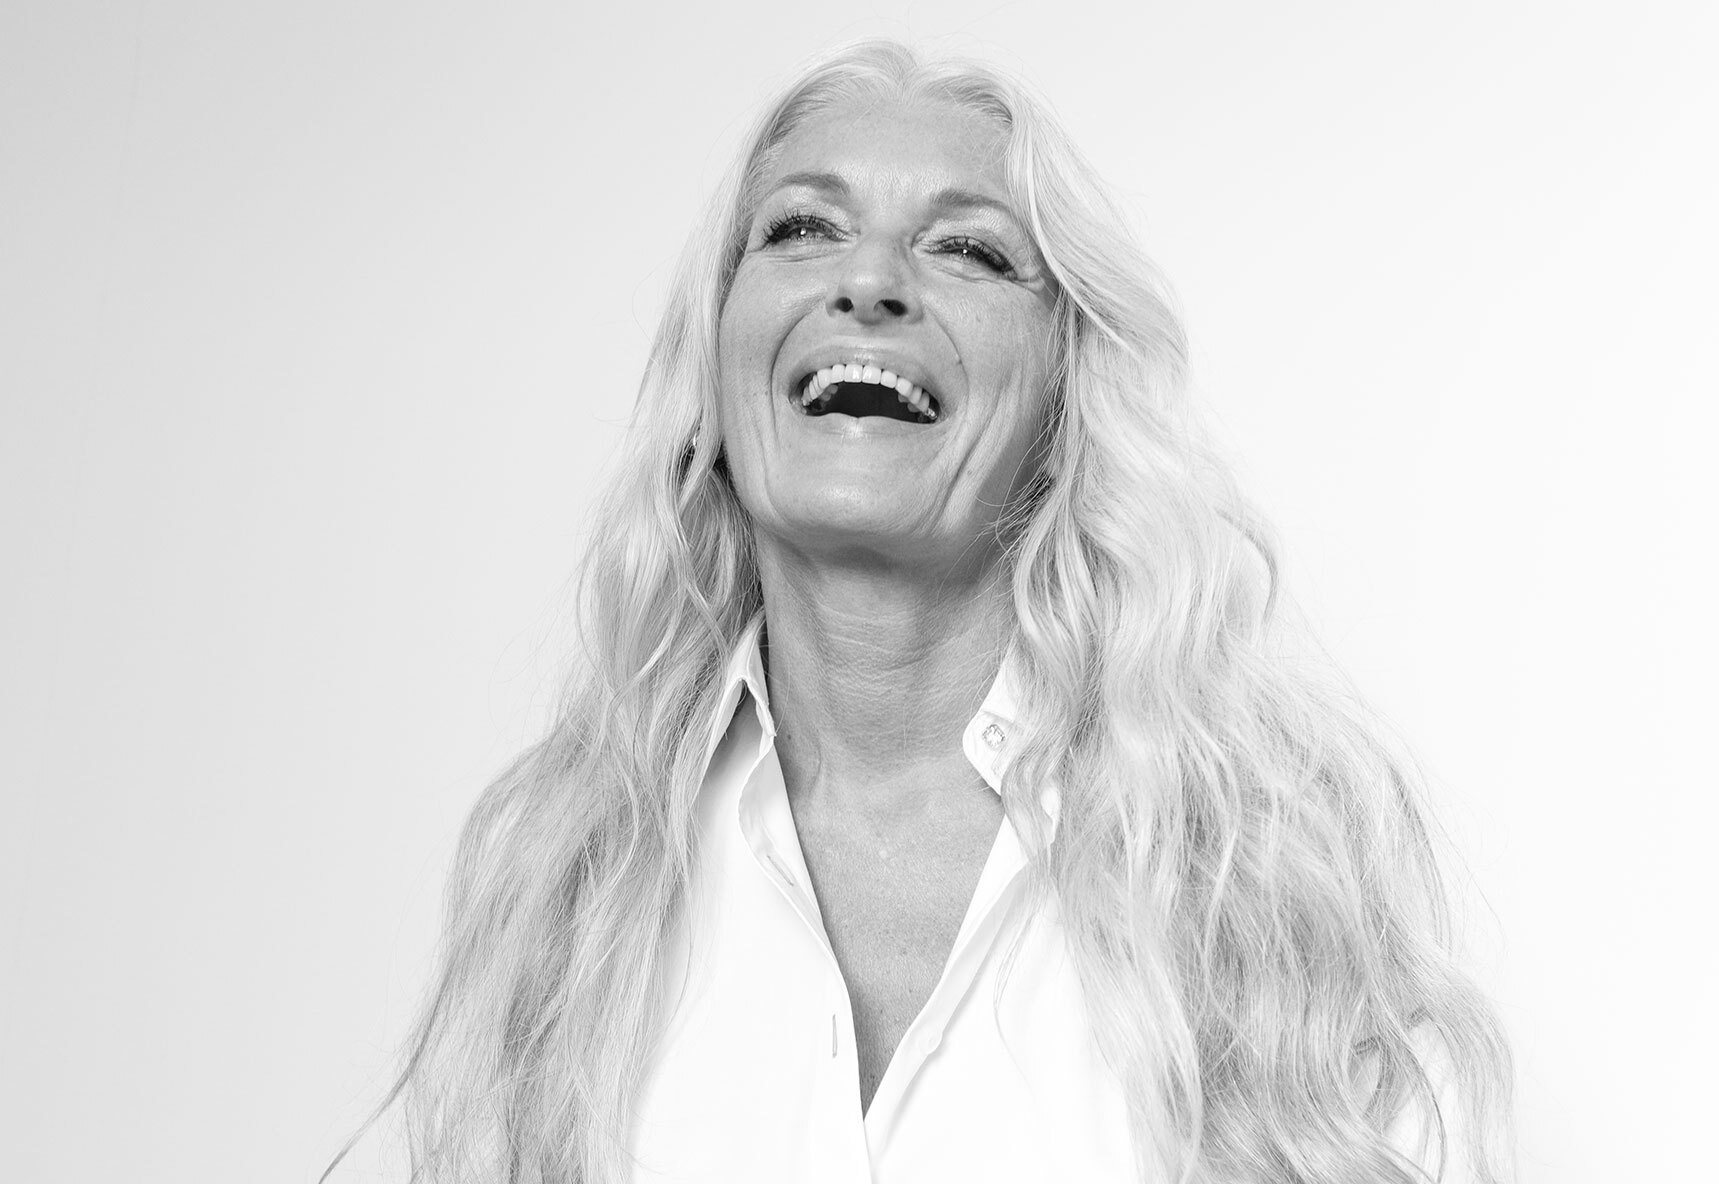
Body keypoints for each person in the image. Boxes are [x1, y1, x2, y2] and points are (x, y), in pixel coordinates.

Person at [328, 38, 1512, 1184]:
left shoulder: (1259, 874)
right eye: (802, 228)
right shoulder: (564, 881)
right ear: (713, 372)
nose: (869, 280)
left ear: (1067, 396)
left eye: (969, 250)